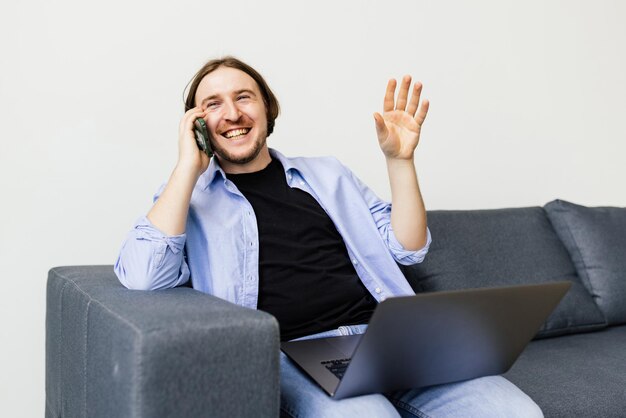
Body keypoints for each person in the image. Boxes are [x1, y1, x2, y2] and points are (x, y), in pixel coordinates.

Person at [115, 56, 543, 417]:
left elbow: (408, 250)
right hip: (295, 352)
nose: (232, 113)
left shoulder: (326, 174)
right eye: (213, 104)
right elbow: (143, 276)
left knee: (518, 414)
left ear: (267, 107)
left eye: (243, 97)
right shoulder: (187, 196)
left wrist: (400, 161)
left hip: (390, 337)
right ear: (197, 123)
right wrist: (188, 165)